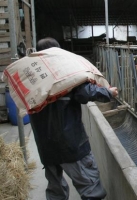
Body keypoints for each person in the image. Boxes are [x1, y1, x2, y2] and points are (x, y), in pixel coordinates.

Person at [29, 37, 118, 200]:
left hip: (45, 146)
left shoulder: (31, 79)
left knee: (55, 190)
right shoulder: (65, 71)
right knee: (90, 186)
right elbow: (85, 92)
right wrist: (109, 93)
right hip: (71, 144)